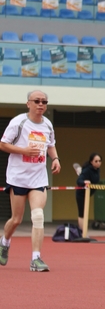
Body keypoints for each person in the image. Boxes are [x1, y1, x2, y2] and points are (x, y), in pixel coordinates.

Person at [0, 90, 61, 272]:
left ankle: (36, 258)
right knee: (16, 219)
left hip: (38, 178)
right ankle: (4, 242)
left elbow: (51, 145)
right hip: (18, 177)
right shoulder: (18, 122)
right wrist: (24, 151)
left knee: (38, 215)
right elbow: (3, 144)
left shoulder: (47, 125)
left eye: (44, 102)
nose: (40, 104)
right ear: (28, 104)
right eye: (37, 101)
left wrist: (56, 159)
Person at [76, 153, 102, 232]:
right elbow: (79, 181)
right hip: (81, 194)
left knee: (85, 212)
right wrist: (84, 181)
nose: (98, 163)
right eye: (96, 161)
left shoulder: (97, 170)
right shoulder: (87, 170)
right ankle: (82, 232)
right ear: (91, 162)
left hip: (88, 194)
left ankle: (83, 231)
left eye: (99, 161)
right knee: (82, 213)